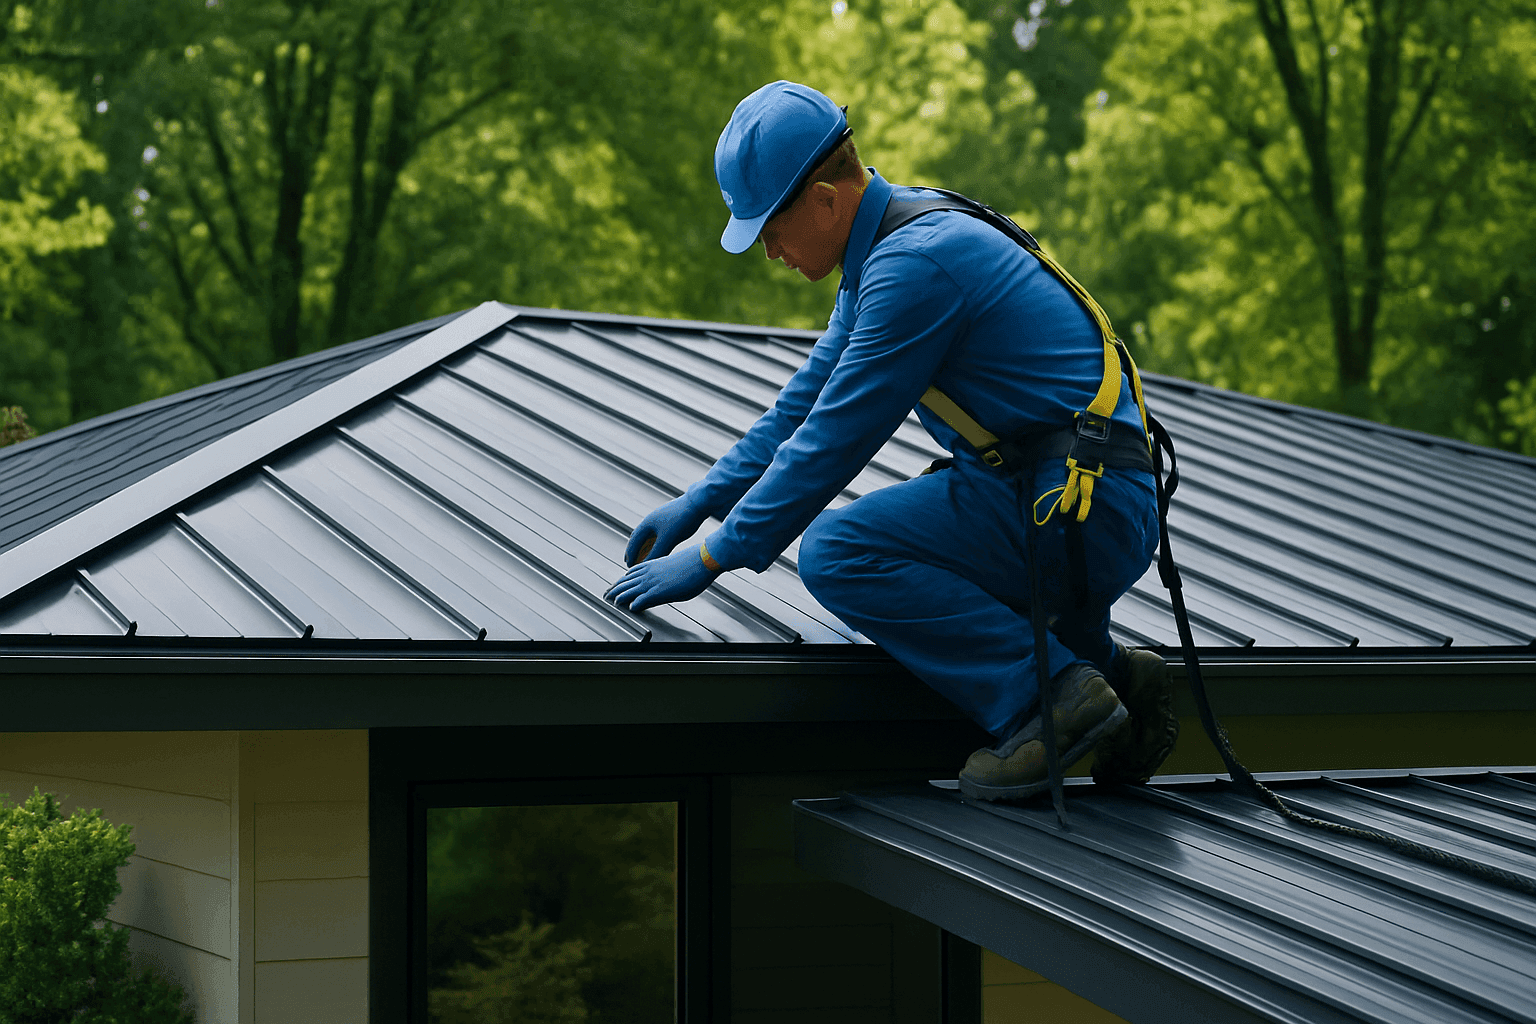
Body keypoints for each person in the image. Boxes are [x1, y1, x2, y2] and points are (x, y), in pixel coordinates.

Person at [605, 81, 1177, 800]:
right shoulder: (891, 246)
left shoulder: (914, 267)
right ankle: (1114, 676)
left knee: (840, 551)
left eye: (770, 229)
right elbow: (800, 409)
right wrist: (699, 501)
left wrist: (715, 555)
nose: (769, 251)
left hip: (1078, 509)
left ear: (823, 200)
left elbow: (833, 439)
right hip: (1070, 500)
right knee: (924, 522)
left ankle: (1054, 699)